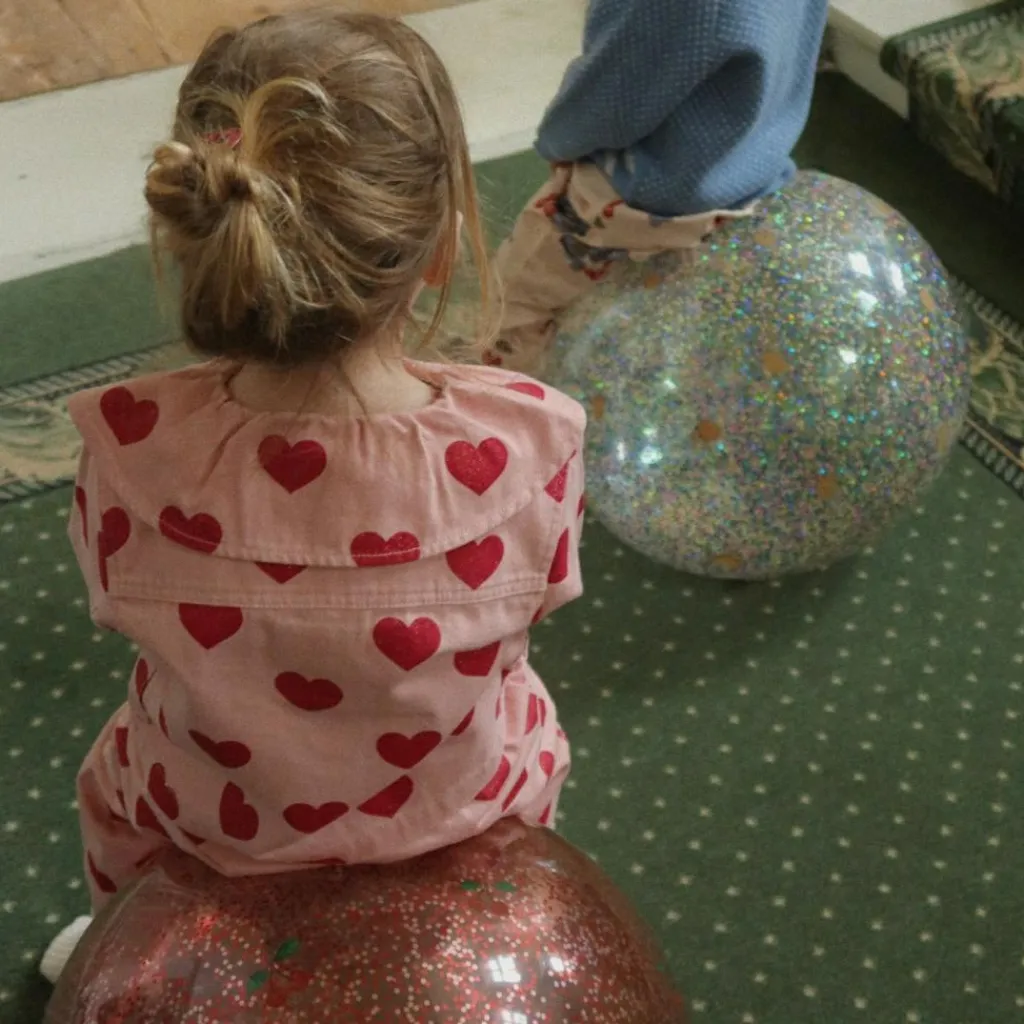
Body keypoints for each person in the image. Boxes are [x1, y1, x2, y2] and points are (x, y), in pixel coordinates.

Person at [40, 10, 584, 983]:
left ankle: (129, 951)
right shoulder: (535, 440)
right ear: (440, 248)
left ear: (196, 232)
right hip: (456, 809)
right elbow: (541, 603)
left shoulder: (127, 444)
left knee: (118, 774)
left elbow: (109, 599)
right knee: (530, 719)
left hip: (210, 818)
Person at [484, 0, 831, 374]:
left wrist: (556, 142)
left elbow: (612, 97)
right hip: (753, 173)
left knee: (514, 300)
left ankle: (502, 395)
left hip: (642, 192)